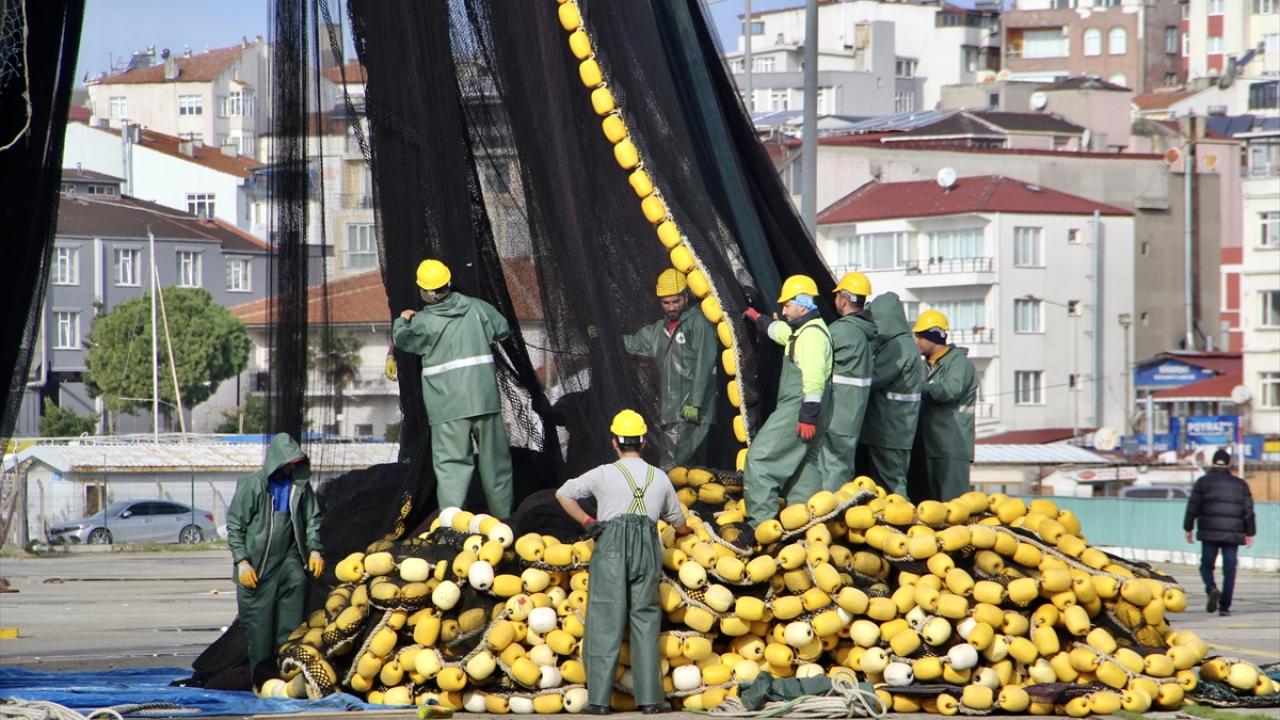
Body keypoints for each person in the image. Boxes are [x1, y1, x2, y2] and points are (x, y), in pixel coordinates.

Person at [555, 409, 690, 715]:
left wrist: (588, 522)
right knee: (645, 620)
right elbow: (678, 521)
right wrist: (685, 532)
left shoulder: (603, 473)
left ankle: (599, 702)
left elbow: (563, 494)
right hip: (647, 549)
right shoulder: (659, 477)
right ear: (643, 442)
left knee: (605, 620)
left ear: (614, 442)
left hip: (611, 549)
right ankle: (651, 701)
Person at [393, 259, 514, 517]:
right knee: (496, 463)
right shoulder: (478, 309)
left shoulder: (423, 322)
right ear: (448, 283)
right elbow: (502, 329)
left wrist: (401, 321)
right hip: (484, 400)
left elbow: (403, 341)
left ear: (425, 291)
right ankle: (503, 519)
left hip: (447, 406)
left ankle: (452, 524)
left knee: (452, 466)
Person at [226, 432, 324, 687]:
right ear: (277, 461)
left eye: (296, 463)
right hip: (257, 567)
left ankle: (287, 679)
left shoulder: (300, 487)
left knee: (291, 621)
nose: (292, 467)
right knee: (259, 636)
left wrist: (314, 549)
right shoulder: (252, 485)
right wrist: (242, 562)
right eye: (289, 462)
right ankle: (262, 684)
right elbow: (235, 525)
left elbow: (312, 519)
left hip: (288, 559)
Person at [741, 274, 833, 528]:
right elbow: (782, 333)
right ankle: (804, 526)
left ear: (802, 304)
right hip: (816, 407)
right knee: (804, 467)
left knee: (759, 460)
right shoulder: (803, 331)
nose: (783, 310)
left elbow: (814, 378)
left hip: (800, 406)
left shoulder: (812, 336)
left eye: (787, 305)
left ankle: (762, 526)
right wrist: (759, 319)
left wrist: (807, 416)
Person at [623, 269, 719, 469]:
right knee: (689, 470)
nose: (671, 307)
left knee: (673, 468)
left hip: (692, 411)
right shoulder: (659, 330)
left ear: (686, 297)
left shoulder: (698, 323)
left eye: (676, 301)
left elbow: (705, 363)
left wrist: (695, 403)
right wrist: (598, 336)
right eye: (666, 303)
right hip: (673, 411)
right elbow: (632, 343)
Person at [854, 292, 923, 498]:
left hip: (888, 430)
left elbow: (875, 377)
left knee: (892, 486)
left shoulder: (897, 346)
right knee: (890, 483)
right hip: (896, 430)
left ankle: (902, 515)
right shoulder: (905, 344)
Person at [814, 272, 876, 492]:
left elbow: (812, 348)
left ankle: (831, 509)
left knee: (832, 468)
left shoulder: (841, 331)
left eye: (837, 295)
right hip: (854, 412)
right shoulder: (867, 333)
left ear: (844, 300)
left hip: (837, 412)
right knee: (842, 466)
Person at [909, 309, 977, 502]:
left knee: (951, 505)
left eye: (920, 336)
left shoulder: (959, 364)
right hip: (929, 445)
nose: (916, 341)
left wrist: (916, 386)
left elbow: (950, 391)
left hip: (951, 447)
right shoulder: (924, 365)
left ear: (935, 336)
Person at [1184, 449, 1255, 616]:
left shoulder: (1202, 482)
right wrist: (1250, 532)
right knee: (1230, 569)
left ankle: (1211, 588)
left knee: (1206, 566)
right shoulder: (1240, 484)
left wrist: (1188, 528)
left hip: (1209, 532)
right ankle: (1224, 607)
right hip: (1233, 533)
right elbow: (1248, 511)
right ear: (1229, 464)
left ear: (1212, 463)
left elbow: (1192, 507)